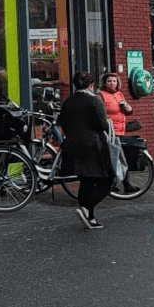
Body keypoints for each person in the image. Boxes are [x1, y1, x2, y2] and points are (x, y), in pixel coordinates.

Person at [57, 68, 114, 230]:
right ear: (91, 84)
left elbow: (63, 123)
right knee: (107, 180)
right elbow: (102, 125)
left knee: (86, 180)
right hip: (92, 146)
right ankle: (87, 208)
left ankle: (90, 217)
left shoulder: (69, 101)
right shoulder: (94, 101)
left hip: (72, 145)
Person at [100, 68, 137, 188]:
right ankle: (120, 183)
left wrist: (128, 109)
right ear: (104, 83)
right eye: (109, 81)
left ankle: (120, 183)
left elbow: (127, 111)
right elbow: (101, 113)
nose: (112, 83)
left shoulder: (119, 94)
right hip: (111, 131)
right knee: (116, 158)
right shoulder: (101, 95)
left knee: (120, 157)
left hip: (121, 130)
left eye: (114, 81)